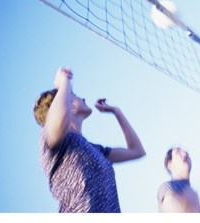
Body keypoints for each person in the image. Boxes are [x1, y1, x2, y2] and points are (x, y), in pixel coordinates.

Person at [33, 67, 146, 213]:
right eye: (74, 95)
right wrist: (63, 83)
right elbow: (59, 121)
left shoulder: (95, 150)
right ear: (66, 103)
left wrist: (116, 111)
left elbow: (137, 151)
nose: (83, 98)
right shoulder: (49, 140)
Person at [157, 147, 200, 213]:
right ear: (169, 164)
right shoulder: (168, 187)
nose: (185, 154)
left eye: (186, 153)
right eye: (178, 152)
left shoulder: (195, 194)